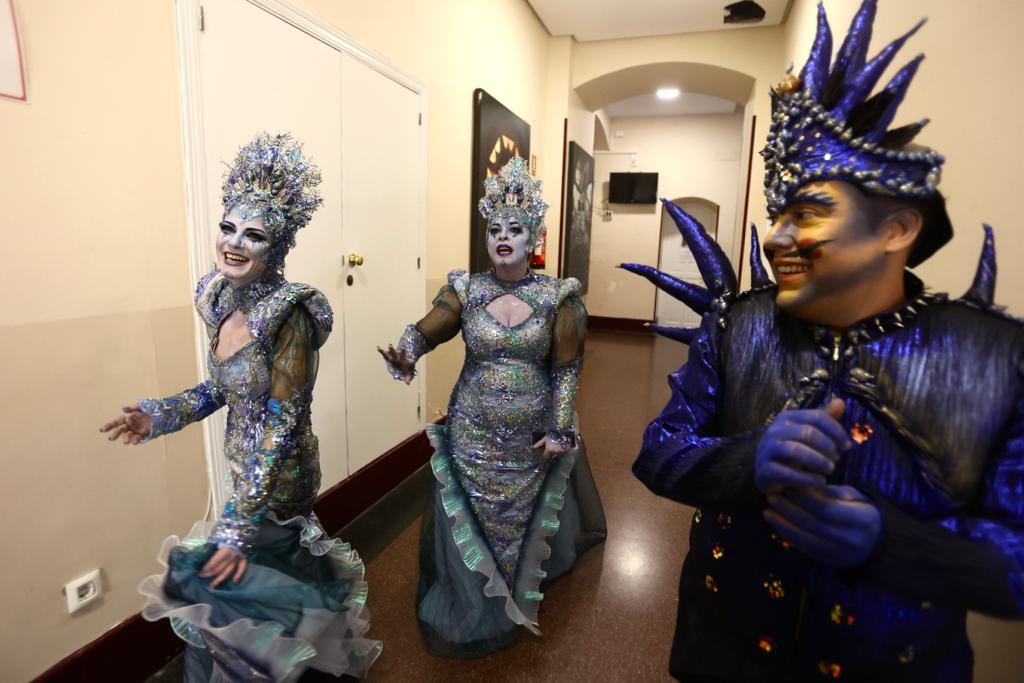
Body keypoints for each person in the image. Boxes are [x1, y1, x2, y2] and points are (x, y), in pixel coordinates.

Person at [624, 1, 1024, 681]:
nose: (777, 235)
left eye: (806, 214)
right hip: (722, 650)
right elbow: (657, 454)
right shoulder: (739, 325)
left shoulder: (989, 361)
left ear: (896, 229)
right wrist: (745, 462)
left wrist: (891, 542)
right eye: (778, 213)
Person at [101, 133, 381, 682]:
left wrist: (239, 523)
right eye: (228, 228)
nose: (233, 243)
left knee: (254, 605)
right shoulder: (221, 300)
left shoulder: (290, 316)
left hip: (280, 479)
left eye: (253, 235)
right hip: (245, 479)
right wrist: (155, 416)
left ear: (275, 247)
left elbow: (280, 425)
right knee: (249, 607)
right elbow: (217, 391)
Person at [379, 157, 606, 657]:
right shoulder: (467, 290)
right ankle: (473, 598)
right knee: (472, 515)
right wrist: (407, 352)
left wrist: (561, 426)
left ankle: (521, 580)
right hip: (472, 429)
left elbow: (567, 369)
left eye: (515, 229)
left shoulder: (558, 297)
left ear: (533, 239)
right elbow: (430, 327)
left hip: (530, 437)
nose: (503, 236)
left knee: (522, 518)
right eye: (495, 229)